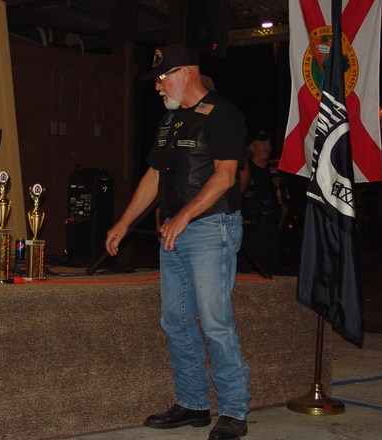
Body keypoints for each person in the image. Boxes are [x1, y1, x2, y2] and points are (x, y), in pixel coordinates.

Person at [105, 44, 250, 440]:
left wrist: (184, 216)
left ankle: (234, 410)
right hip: (175, 232)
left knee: (215, 322)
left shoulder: (223, 114)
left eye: (161, 78)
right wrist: (124, 222)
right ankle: (193, 402)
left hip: (210, 229)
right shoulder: (170, 121)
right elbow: (154, 176)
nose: (157, 86)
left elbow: (226, 175)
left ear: (185, 73)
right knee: (175, 320)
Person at [238, 129, 282, 276]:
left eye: (269, 143)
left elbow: (282, 201)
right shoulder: (244, 171)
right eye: (262, 142)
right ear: (251, 147)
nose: (267, 146)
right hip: (249, 233)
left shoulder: (275, 172)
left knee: (269, 274)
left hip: (270, 233)